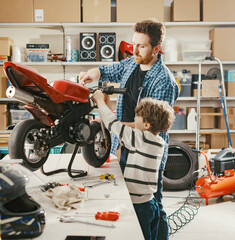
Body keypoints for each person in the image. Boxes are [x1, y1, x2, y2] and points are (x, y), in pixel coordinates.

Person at [79, 19, 179, 239]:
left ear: (157, 49)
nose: (134, 50)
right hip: (123, 146)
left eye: (141, 46)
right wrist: (92, 73)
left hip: (146, 156)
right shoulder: (132, 63)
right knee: (134, 205)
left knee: (154, 207)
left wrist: (112, 124)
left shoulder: (164, 81)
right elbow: (107, 70)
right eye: (133, 43)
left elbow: (149, 127)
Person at [92, 92, 175, 240]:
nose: (134, 118)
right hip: (150, 203)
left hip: (139, 206)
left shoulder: (140, 139)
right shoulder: (157, 142)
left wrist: (100, 101)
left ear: (146, 124)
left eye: (137, 116)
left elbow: (113, 124)